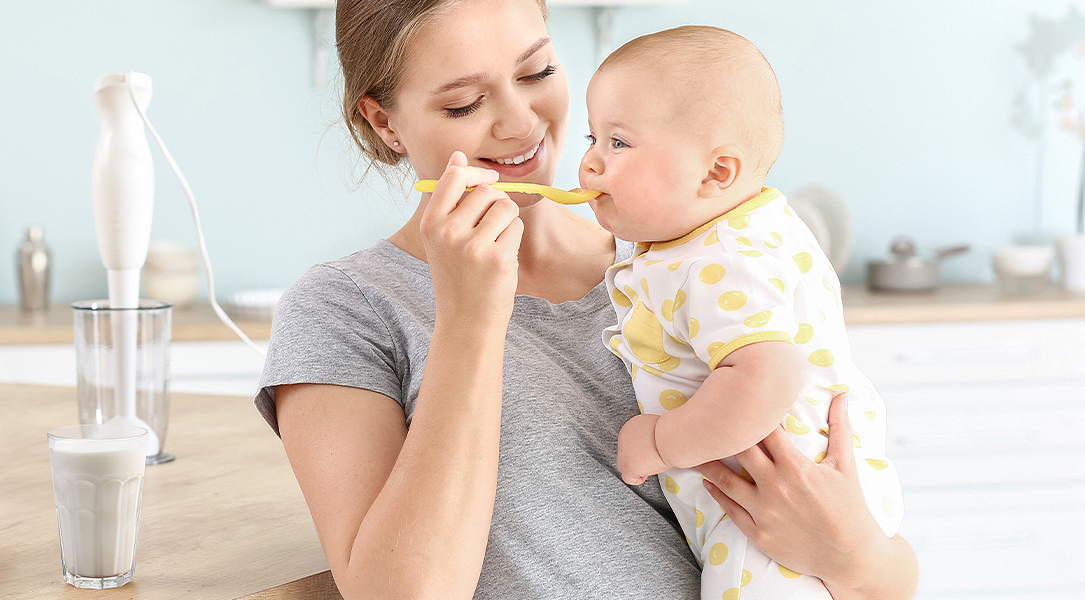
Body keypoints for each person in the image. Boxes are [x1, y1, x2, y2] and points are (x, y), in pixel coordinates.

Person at [253, 1, 919, 598]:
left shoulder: (694, 266)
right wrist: (469, 317)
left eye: (537, 71)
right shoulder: (346, 309)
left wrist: (855, 556)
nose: (520, 123)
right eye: (463, 104)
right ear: (384, 121)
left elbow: (887, 573)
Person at [580, 26, 904, 599]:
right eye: (593, 139)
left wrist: (659, 441)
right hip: (805, 501)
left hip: (777, 505)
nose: (590, 164)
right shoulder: (735, 228)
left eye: (619, 143)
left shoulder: (724, 260)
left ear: (716, 174)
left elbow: (769, 377)